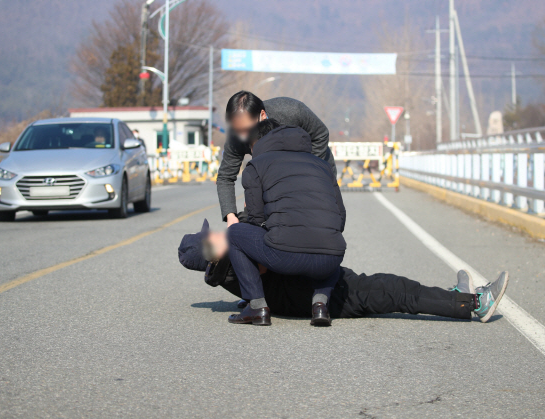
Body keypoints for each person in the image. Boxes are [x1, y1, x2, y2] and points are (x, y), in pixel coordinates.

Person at [178, 218, 510, 324]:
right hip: (330, 294)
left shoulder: (231, 273)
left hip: (322, 285)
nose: (222, 230)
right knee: (398, 291)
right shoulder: (238, 260)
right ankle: (472, 305)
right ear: (211, 249)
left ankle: (453, 296)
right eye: (214, 235)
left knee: (396, 288)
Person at [225, 119, 346, 326]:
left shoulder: (256, 166)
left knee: (235, 233)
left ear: (258, 143)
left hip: (284, 257)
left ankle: (256, 306)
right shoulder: (323, 165)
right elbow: (340, 217)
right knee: (328, 240)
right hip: (330, 261)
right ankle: (320, 304)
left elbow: (255, 220)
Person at [217, 91, 337, 227]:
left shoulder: (291, 110)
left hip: (314, 167)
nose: (243, 137)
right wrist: (230, 215)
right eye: (238, 131)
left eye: (247, 130)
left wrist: (305, 173)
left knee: (312, 220)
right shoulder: (236, 137)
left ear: (262, 115)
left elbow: (321, 134)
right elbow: (225, 177)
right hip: (270, 174)